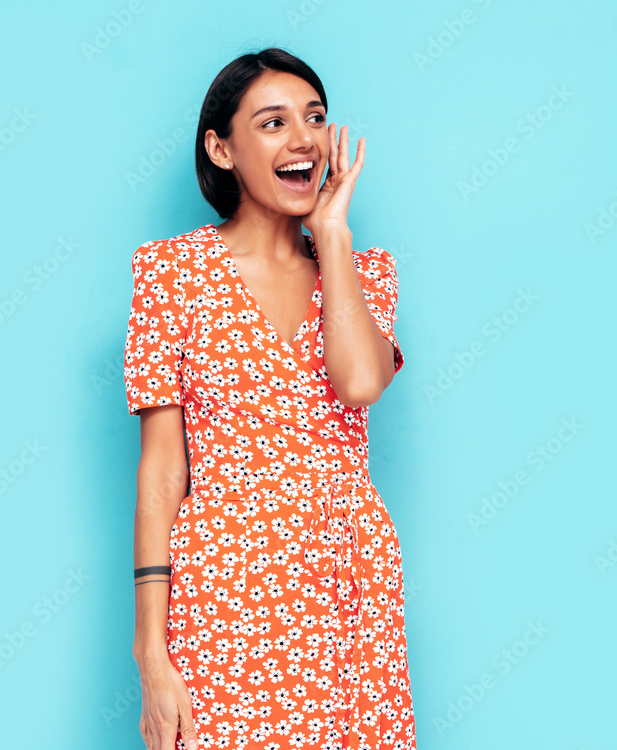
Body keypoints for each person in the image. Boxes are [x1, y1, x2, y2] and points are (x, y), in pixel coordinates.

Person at [124, 47, 416, 750]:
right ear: (221, 149)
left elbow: (359, 383)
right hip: (226, 588)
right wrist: (151, 654)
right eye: (273, 122)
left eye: (314, 118)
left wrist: (335, 235)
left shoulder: (363, 274)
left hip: (349, 581)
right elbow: (162, 472)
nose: (303, 139)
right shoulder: (170, 273)